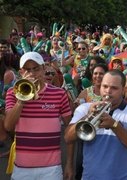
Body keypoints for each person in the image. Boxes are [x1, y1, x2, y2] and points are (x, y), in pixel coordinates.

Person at [4, 52, 74, 180]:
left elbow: (70, 131)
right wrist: (21, 99)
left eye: (36, 68)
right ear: (21, 72)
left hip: (52, 168)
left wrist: (69, 163)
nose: (32, 73)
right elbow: (8, 126)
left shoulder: (59, 94)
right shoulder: (12, 92)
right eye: (27, 70)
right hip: (22, 167)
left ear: (44, 68)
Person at [64, 70, 127, 180]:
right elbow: (67, 137)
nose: (108, 91)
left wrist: (114, 125)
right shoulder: (84, 108)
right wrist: (87, 117)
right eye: (105, 86)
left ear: (123, 90)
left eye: (114, 88)